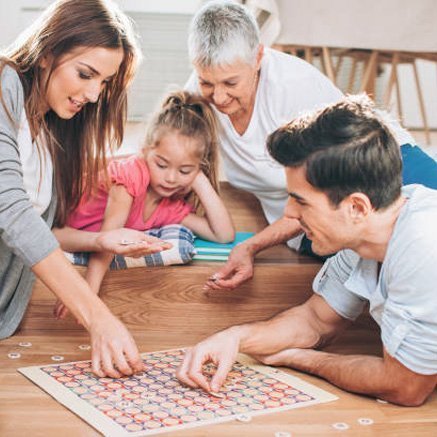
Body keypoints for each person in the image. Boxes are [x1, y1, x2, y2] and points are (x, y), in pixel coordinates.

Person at [176, 95, 437, 406]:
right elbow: (315, 320)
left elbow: (405, 387)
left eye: (300, 200)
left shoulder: (424, 242)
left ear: (356, 207)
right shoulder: (363, 236)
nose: (289, 213)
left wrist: (301, 359)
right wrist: (234, 338)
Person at [185, 0, 437, 291]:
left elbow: (328, 190)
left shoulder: (294, 87)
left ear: (258, 58)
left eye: (230, 83)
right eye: (207, 83)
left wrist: (252, 246)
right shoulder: (196, 94)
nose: (218, 97)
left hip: (387, 162)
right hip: (308, 213)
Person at [0, 0, 166, 378]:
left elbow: (38, 232)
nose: (94, 94)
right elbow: (9, 211)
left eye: (104, 82)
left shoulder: (50, 130)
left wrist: (99, 242)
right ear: (47, 52)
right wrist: (97, 317)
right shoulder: (3, 86)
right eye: (85, 74)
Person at [55, 90, 235, 316]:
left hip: (86, 240)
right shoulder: (132, 175)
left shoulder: (169, 206)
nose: (171, 178)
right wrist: (88, 294)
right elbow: (111, 238)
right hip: (56, 231)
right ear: (145, 152)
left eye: (184, 170)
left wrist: (199, 179)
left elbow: (223, 235)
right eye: (161, 165)